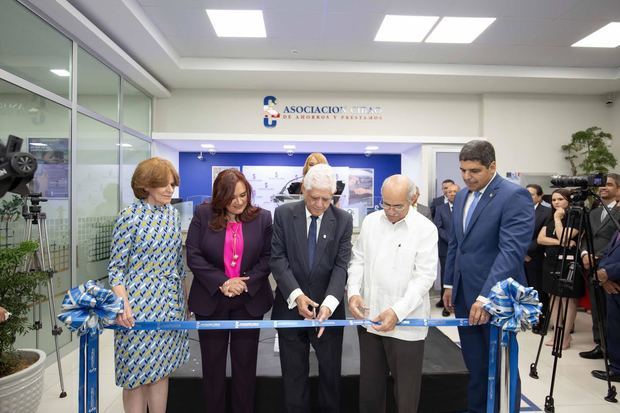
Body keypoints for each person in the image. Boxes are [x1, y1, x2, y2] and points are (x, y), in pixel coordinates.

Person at [443, 140, 533, 413]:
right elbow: (457, 245)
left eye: (474, 171)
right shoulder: (460, 196)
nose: (467, 177)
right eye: (463, 170)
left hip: (496, 299)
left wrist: (486, 297)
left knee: (502, 367)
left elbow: (511, 252)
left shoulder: (513, 196)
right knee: (475, 364)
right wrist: (449, 283)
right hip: (463, 294)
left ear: (493, 166)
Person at [347, 175, 438, 413]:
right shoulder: (370, 222)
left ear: (412, 200)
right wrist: (354, 292)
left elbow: (424, 278)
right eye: (386, 204)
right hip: (370, 319)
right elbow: (358, 260)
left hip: (407, 323)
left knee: (406, 395)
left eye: (398, 206)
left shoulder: (425, 229)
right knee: (371, 390)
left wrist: (397, 312)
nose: (391, 211)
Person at [186, 169, 273, 413]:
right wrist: (223, 282)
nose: (238, 201)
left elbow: (268, 258)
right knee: (212, 367)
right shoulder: (203, 214)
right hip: (211, 299)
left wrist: (244, 282)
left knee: (245, 366)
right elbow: (193, 254)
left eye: (243, 195)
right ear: (219, 197)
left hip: (248, 301)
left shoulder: (263, 218)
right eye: (231, 197)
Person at [108, 157, 189, 413]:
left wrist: (184, 301)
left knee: (161, 370)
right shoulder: (129, 217)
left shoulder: (174, 216)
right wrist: (122, 305)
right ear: (146, 185)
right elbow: (116, 269)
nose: (169, 189)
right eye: (163, 184)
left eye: (172, 184)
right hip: (136, 306)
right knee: (134, 376)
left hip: (168, 303)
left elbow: (178, 263)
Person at [270, 163, 353, 413]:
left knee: (330, 378)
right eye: (314, 197)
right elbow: (277, 259)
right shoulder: (284, 214)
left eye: (326, 199)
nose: (319, 204)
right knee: (294, 379)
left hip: (328, 313)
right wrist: (297, 296)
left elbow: (341, 267)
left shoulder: (343, 220)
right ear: (303, 191)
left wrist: (328, 304)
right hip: (290, 308)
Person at [580, 174, 620, 359]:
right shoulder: (593, 212)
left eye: (609, 185)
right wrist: (585, 254)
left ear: (618, 189)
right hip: (590, 265)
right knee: (596, 309)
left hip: (609, 268)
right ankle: (600, 344)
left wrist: (600, 259)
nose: (603, 188)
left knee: (610, 313)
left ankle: (612, 350)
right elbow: (585, 236)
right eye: (602, 185)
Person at [537, 189, 582, 349]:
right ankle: (557, 333)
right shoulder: (550, 218)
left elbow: (564, 235)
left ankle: (566, 336)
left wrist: (558, 219)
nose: (556, 202)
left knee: (567, 299)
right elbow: (541, 239)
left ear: (569, 201)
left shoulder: (575, 217)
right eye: (554, 200)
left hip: (568, 263)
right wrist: (559, 242)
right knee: (554, 298)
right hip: (550, 262)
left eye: (560, 199)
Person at [590, 229, 620, 382]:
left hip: (616, 280)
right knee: (614, 328)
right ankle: (616, 367)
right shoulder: (617, 231)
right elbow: (607, 253)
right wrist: (604, 278)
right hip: (612, 284)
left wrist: (608, 272)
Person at [525, 184, 552, 330]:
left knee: (538, 291)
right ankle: (526, 318)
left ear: (540, 196)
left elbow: (543, 236)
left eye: (531, 194)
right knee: (524, 290)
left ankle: (541, 321)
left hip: (537, 257)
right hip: (519, 257)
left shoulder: (547, 213)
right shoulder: (518, 211)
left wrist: (527, 252)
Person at [434, 183, 459, 316]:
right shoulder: (440, 209)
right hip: (446, 248)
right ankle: (446, 305)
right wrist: (451, 240)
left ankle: (458, 303)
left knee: (460, 276)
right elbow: (438, 227)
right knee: (446, 275)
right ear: (446, 194)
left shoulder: (465, 207)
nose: (452, 194)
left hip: (463, 250)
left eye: (455, 191)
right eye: (449, 192)